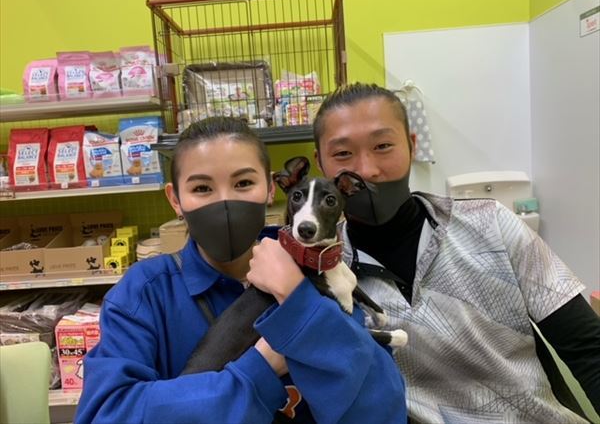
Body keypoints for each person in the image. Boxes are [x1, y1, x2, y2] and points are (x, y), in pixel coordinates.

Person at [75, 116, 407, 424]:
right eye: (202, 188)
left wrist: (298, 301)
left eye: (244, 182)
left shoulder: (320, 274)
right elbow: (105, 414)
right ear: (175, 199)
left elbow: (382, 411)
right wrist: (259, 368)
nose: (225, 203)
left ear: (270, 189)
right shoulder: (145, 293)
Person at [309, 82, 600, 423]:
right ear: (320, 164)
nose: (367, 170)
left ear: (412, 146)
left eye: (383, 146)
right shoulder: (321, 274)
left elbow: (587, 348)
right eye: (343, 154)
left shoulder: (491, 224)